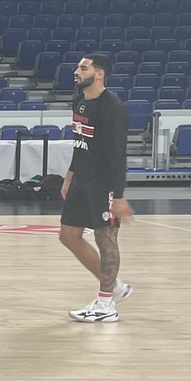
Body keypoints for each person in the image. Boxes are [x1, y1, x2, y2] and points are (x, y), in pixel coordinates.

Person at [60, 54, 135, 323]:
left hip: (104, 183)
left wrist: (119, 195)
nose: (76, 71)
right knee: (68, 236)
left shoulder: (112, 108)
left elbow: (118, 154)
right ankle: (115, 287)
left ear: (99, 74)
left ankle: (106, 305)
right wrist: (69, 176)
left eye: (83, 68)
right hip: (82, 179)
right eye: (78, 67)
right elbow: (80, 142)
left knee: (106, 240)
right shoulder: (79, 101)